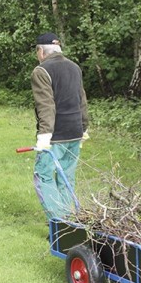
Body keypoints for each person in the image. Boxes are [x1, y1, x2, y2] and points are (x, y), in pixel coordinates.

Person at [31, 32, 89, 220]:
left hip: (56, 135)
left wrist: (44, 137)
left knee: (44, 176)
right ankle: (69, 217)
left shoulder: (41, 71)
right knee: (66, 178)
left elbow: (46, 106)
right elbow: (82, 100)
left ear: (41, 51)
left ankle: (59, 223)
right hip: (75, 131)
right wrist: (84, 128)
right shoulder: (74, 67)